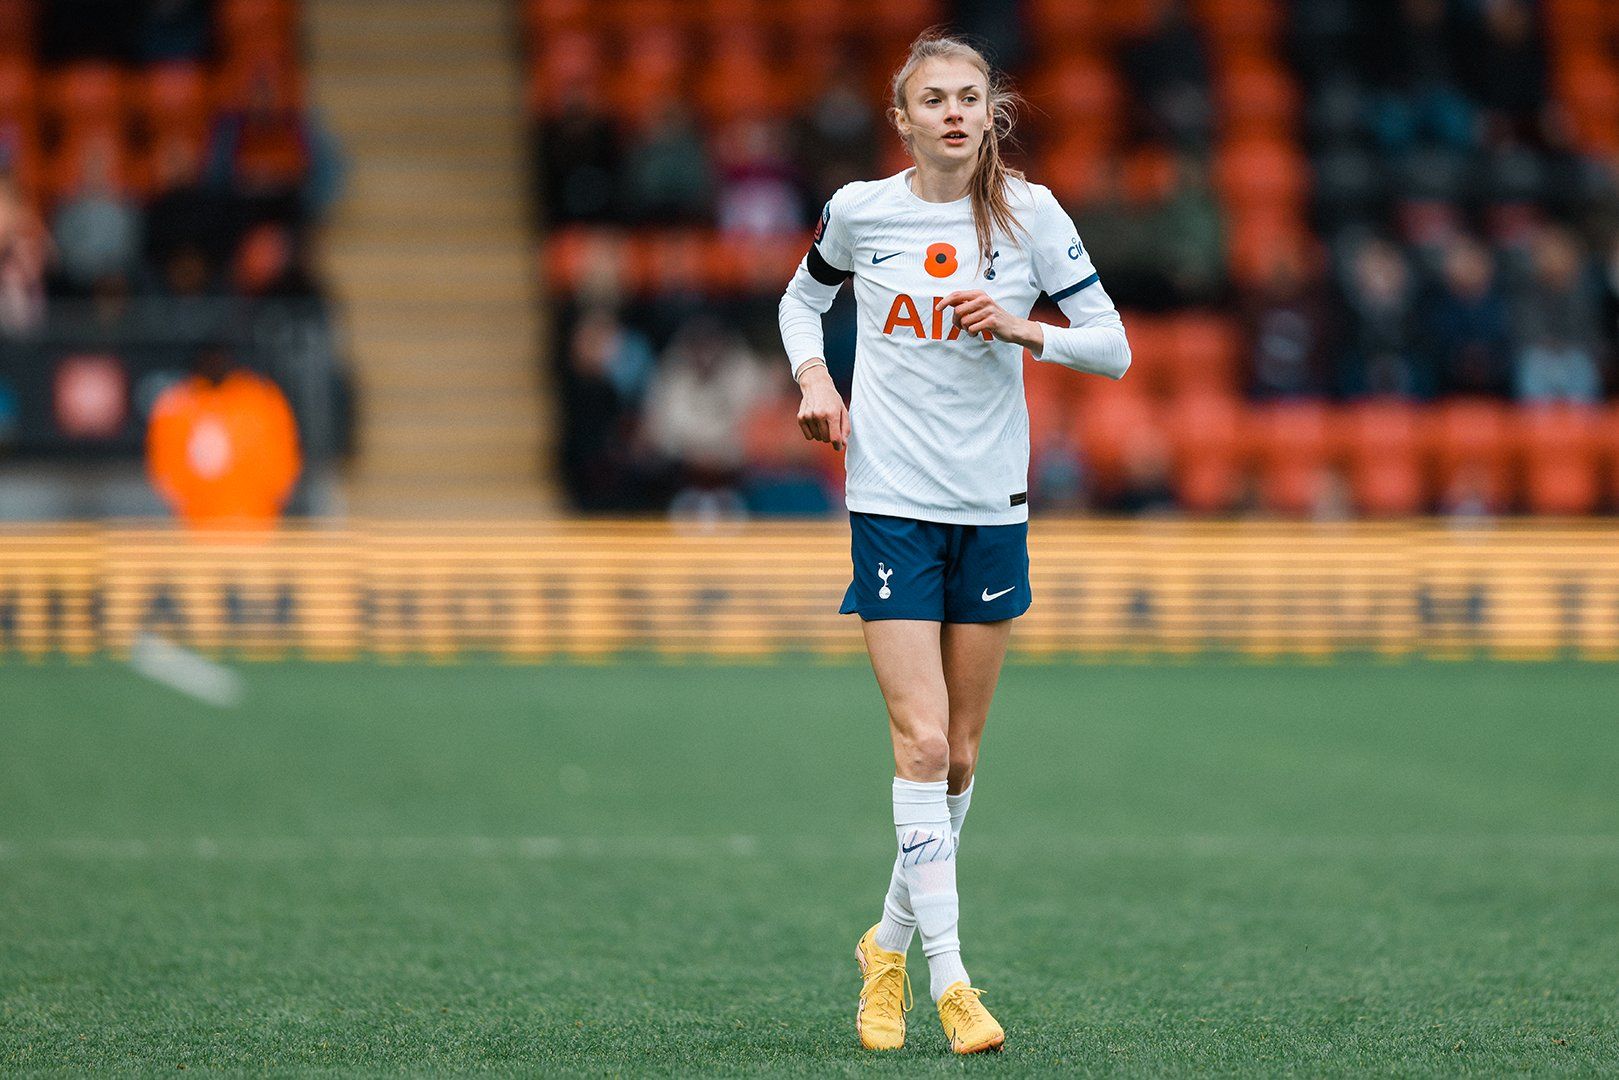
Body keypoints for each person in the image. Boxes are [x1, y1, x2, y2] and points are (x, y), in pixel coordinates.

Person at [777, 31, 1130, 1056]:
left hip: (992, 505)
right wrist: (813, 380)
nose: (951, 112)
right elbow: (803, 297)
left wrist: (1026, 333)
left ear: (990, 112)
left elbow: (1110, 345)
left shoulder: (1031, 215)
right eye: (931, 98)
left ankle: (881, 945)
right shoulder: (859, 211)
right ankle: (950, 979)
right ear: (902, 118)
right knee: (920, 745)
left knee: (962, 755)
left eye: (968, 96)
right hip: (888, 497)